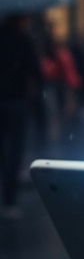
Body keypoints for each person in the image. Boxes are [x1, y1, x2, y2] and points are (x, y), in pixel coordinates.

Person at [0, 14, 43, 218]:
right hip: (16, 101)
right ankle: (9, 200)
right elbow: (35, 70)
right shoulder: (23, 40)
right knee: (14, 152)